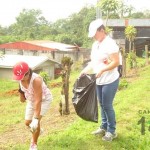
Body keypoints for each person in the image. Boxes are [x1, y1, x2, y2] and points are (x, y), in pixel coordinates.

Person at [80, 19, 119, 142]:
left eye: (95, 34)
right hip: (99, 80)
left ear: (102, 30)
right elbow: (93, 62)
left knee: (107, 105)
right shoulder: (95, 44)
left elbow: (116, 62)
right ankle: (103, 127)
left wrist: (103, 70)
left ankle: (112, 131)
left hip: (110, 79)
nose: (93, 37)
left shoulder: (110, 43)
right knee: (101, 105)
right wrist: (84, 71)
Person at [13, 61, 53, 150]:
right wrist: (21, 94)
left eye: (22, 77)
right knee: (27, 123)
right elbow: (22, 98)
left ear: (28, 73)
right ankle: (38, 131)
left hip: (44, 100)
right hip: (31, 101)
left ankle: (33, 144)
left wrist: (36, 118)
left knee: (35, 123)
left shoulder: (36, 80)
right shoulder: (21, 80)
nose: (20, 79)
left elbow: (38, 100)